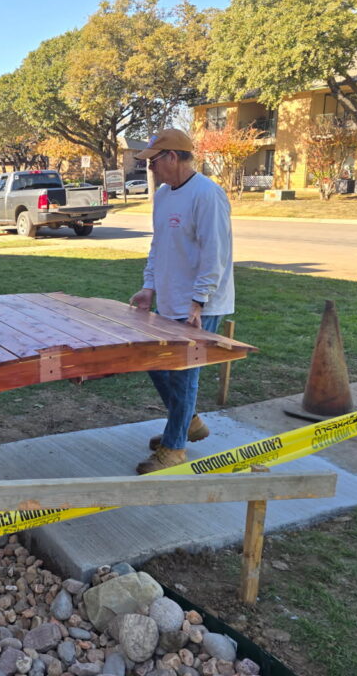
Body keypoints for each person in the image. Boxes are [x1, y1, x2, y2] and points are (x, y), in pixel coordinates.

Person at [128, 129, 234, 474]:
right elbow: (159, 245)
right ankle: (187, 422)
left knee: (185, 375)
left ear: (172, 157)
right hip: (170, 299)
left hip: (200, 306)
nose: (151, 169)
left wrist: (199, 301)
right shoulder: (162, 195)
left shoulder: (208, 195)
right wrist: (149, 287)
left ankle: (174, 448)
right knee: (153, 361)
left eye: (154, 161)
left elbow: (214, 254)